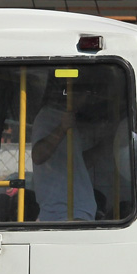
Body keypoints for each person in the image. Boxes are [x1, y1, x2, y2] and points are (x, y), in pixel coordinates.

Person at [30, 79, 97, 221]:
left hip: (77, 212)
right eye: (85, 93)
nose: (87, 99)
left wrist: (105, 146)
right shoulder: (48, 116)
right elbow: (38, 155)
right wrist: (62, 128)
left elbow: (77, 163)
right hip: (63, 213)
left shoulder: (71, 121)